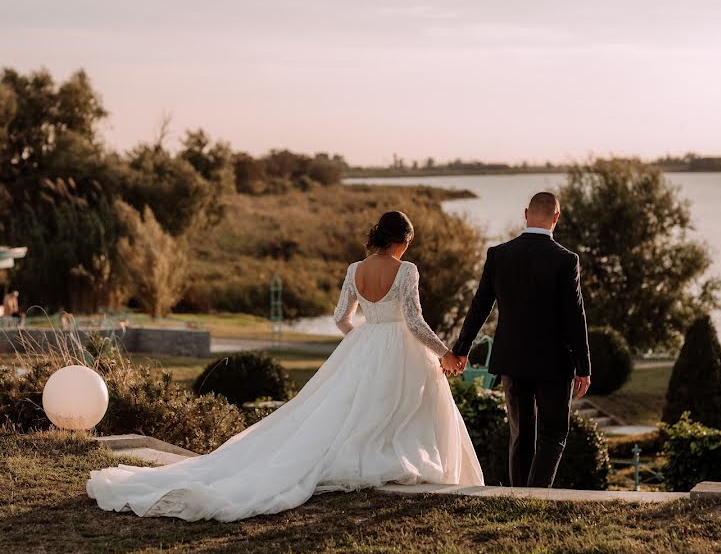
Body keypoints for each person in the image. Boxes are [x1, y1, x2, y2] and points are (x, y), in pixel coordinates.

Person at [87, 211, 483, 521]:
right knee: (401, 407)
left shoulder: (354, 270)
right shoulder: (406, 270)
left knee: (348, 412)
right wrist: (445, 352)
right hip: (399, 346)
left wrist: (364, 341)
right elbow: (413, 322)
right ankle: (397, 461)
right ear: (403, 240)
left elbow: (341, 318)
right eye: (407, 244)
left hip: (366, 343)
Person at [443, 192, 591, 488]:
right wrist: (584, 367)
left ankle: (519, 496)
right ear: (556, 217)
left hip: (512, 359)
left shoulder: (498, 255)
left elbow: (480, 307)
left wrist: (462, 348)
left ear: (526, 214)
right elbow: (575, 317)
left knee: (521, 432)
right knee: (554, 434)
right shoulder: (565, 260)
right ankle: (535, 496)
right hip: (554, 363)